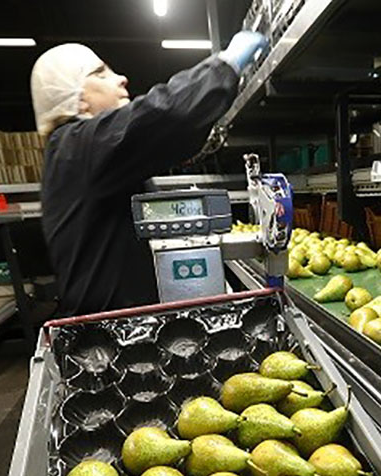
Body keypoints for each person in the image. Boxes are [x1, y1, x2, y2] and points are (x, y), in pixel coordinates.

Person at [31, 32, 268, 316]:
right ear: (77, 100)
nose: (121, 78)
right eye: (101, 73)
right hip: (107, 338)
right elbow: (167, 114)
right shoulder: (77, 147)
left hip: (117, 329)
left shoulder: (82, 154)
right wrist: (225, 65)